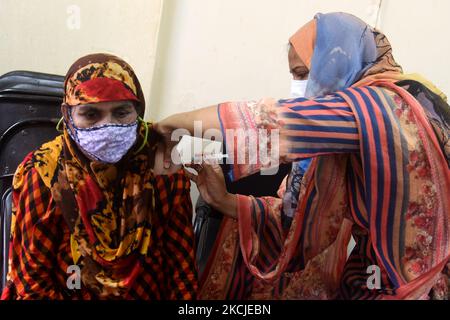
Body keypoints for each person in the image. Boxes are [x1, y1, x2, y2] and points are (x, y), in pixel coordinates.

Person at [156, 12, 450, 299]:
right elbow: (294, 218)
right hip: (377, 276)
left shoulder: (379, 107)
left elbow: (269, 122)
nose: (299, 88)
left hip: (409, 287)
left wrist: (169, 126)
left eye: (303, 74)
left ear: (337, 61)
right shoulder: (412, 97)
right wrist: (224, 201)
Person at [1, 54, 198, 299]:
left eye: (121, 112)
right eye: (91, 114)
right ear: (68, 114)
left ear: (138, 111)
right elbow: (33, 282)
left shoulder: (162, 167)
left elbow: (181, 269)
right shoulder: (44, 174)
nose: (108, 128)